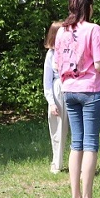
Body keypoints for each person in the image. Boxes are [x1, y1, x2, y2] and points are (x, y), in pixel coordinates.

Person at [54, 0, 100, 198]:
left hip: (69, 90)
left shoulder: (61, 32)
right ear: (88, 7)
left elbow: (58, 65)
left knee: (75, 144)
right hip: (90, 90)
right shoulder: (94, 29)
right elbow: (99, 65)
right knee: (90, 145)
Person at [43, 21, 68, 174]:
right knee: (57, 129)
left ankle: (78, 164)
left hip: (73, 89)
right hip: (58, 91)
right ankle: (56, 163)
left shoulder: (70, 50)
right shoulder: (51, 54)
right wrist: (52, 103)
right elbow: (47, 82)